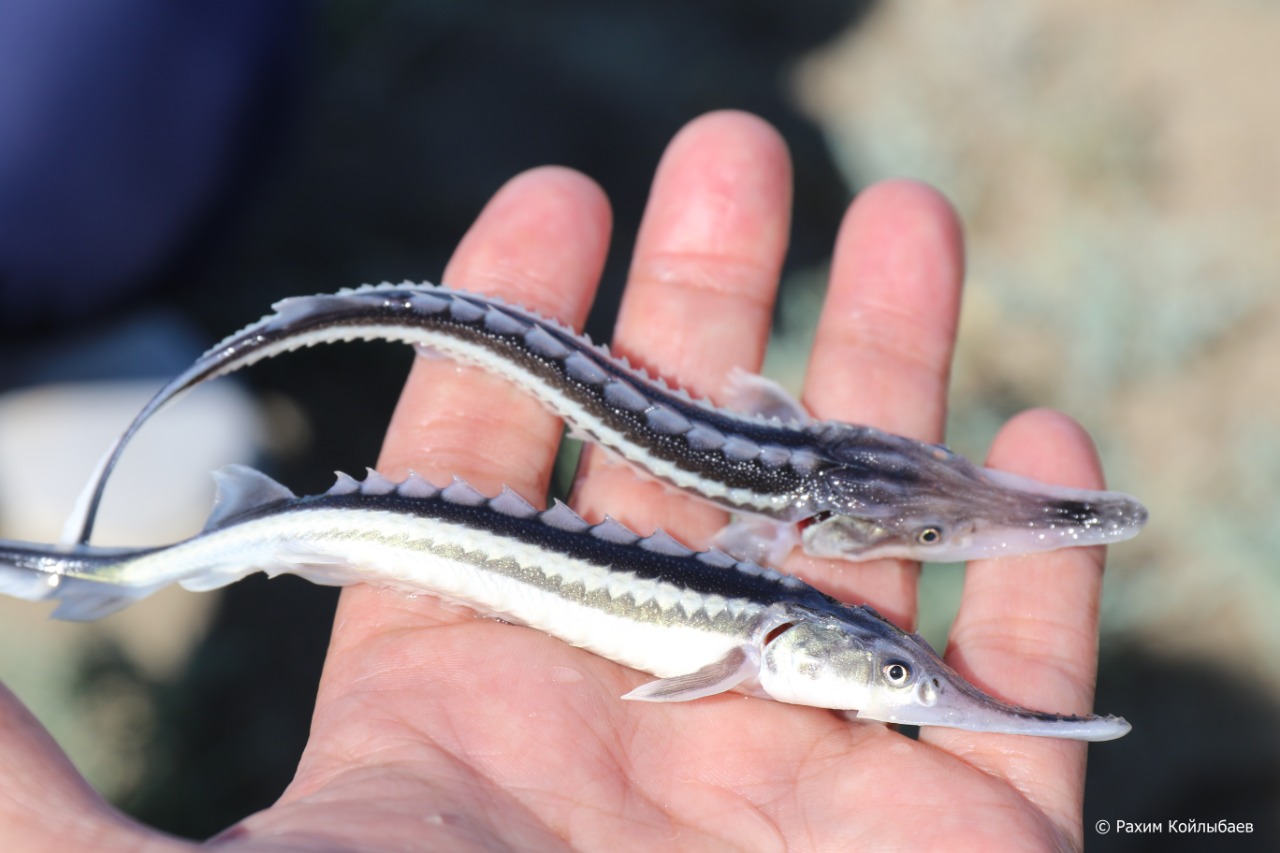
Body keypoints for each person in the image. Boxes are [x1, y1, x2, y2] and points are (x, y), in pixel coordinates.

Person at [0, 111, 1110, 850]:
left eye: (899, 680)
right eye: (896, 679)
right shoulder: (762, 611)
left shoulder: (770, 607)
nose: (908, 685)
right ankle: (100, 543)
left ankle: (107, 544)